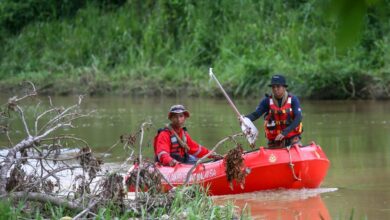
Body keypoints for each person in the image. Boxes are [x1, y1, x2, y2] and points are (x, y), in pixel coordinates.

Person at [244, 75, 303, 148]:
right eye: (273, 87)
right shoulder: (266, 101)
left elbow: (298, 117)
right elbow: (256, 114)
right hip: (275, 141)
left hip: (292, 139)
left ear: (284, 87)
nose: (275, 89)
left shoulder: (293, 100)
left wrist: (284, 132)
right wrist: (244, 118)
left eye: (278, 86)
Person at [154, 104, 222, 166]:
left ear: (185, 118)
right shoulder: (164, 134)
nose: (178, 119)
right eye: (175, 117)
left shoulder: (184, 134)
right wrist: (170, 161)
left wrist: (212, 154)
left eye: (181, 116)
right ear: (171, 118)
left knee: (193, 159)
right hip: (169, 165)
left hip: (181, 163)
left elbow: (196, 149)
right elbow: (162, 153)